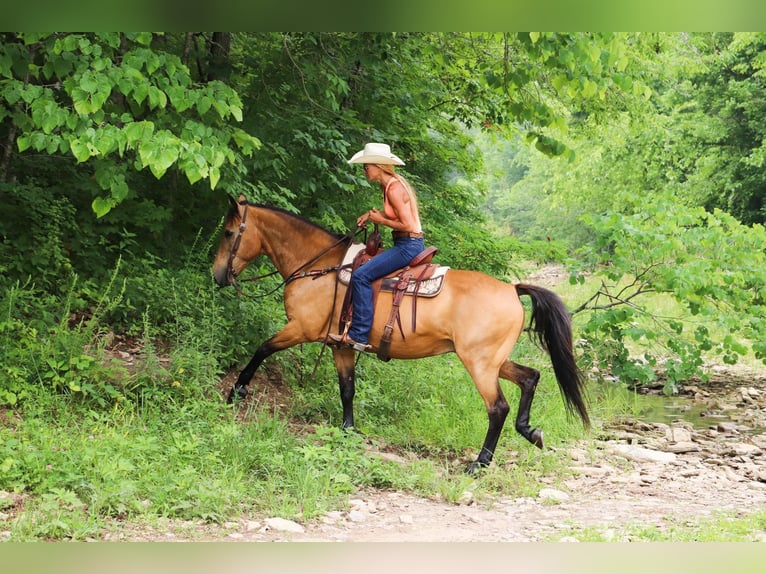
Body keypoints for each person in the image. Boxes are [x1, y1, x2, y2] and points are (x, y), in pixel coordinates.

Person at [329, 142, 425, 351]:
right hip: (406, 242)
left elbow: (407, 224)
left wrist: (380, 221)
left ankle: (359, 335)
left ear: (378, 166)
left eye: (366, 167)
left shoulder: (395, 189)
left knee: (361, 276)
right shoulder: (389, 184)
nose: (364, 171)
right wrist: (371, 215)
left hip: (409, 244)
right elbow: (394, 215)